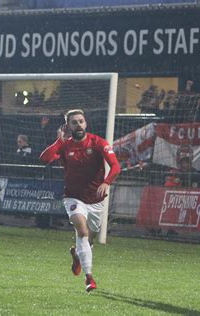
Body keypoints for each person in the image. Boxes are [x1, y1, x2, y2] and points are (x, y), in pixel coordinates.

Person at [39, 109, 120, 293]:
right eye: (74, 122)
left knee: (88, 240)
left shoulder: (98, 143)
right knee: (82, 232)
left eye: (81, 121)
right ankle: (89, 278)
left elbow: (115, 166)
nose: (78, 125)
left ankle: (77, 254)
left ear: (86, 123)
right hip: (73, 197)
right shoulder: (65, 145)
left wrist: (107, 182)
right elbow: (44, 158)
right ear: (68, 126)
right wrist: (58, 141)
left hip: (96, 199)